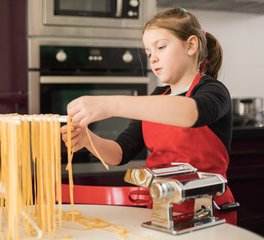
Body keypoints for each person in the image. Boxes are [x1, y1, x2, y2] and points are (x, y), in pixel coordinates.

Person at [61, 7, 237, 225]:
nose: (153, 59)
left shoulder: (213, 90)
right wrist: (88, 139)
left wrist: (111, 104)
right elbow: (120, 153)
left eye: (161, 47)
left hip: (208, 212)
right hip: (160, 212)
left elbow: (191, 112)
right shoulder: (157, 97)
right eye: (149, 53)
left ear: (191, 45)